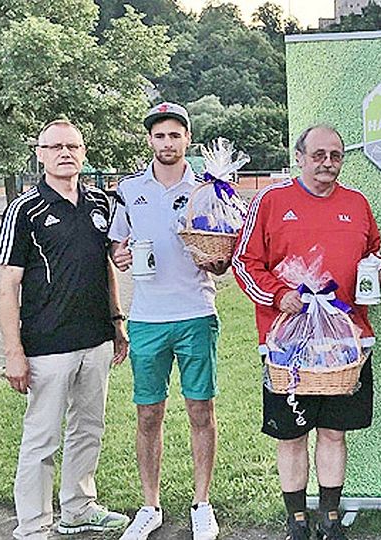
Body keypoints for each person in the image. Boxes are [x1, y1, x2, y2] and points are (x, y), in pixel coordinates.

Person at [232, 124, 381, 540]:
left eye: (335, 155)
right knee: (292, 433)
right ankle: (296, 517)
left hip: (344, 344)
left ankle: (329, 515)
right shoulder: (271, 200)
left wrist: (373, 272)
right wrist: (279, 295)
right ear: (299, 156)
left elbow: (372, 253)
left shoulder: (357, 204)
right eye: (318, 154)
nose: (327, 163)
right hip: (288, 345)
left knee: (334, 432)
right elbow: (245, 262)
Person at [0, 119, 130, 540]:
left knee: (88, 428)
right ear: (40, 153)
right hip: (47, 344)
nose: (64, 153)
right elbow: (7, 287)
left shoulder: (100, 203)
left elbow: (106, 267)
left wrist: (117, 323)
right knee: (42, 438)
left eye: (72, 145)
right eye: (55, 147)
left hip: (95, 339)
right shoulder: (25, 208)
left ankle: (78, 507)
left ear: (84, 152)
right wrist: (13, 352)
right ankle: (33, 525)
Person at [109, 102, 227, 540]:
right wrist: (118, 254)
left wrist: (217, 261)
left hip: (196, 313)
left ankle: (202, 503)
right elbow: (117, 245)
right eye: (159, 135)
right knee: (148, 413)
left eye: (175, 135)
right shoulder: (129, 189)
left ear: (187, 140)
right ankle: (150, 505)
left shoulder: (208, 189)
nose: (167, 143)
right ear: (150, 140)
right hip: (146, 319)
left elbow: (222, 252)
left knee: (201, 409)